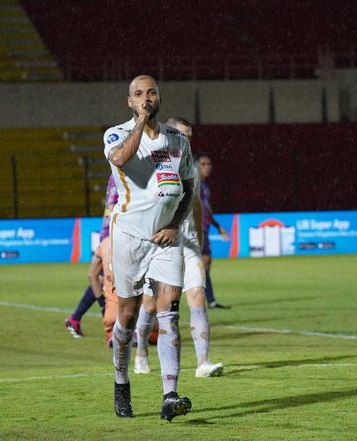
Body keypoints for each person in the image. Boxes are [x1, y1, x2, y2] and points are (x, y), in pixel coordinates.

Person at [104, 75, 195, 421]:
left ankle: (170, 395)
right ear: (130, 102)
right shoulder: (116, 133)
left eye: (152, 92)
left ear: (160, 97)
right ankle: (121, 380)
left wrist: (174, 225)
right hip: (129, 236)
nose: (147, 97)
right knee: (126, 315)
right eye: (139, 94)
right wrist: (141, 122)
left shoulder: (178, 141)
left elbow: (188, 188)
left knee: (170, 310)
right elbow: (121, 159)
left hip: (166, 239)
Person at [133, 116, 224, 379]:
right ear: (170, 133)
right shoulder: (155, 161)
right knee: (150, 305)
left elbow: (195, 203)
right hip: (160, 242)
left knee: (197, 296)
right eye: (183, 135)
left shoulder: (191, 166)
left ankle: (202, 363)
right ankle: (140, 353)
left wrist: (199, 240)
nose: (188, 140)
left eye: (190, 136)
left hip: (188, 242)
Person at [64, 175, 118, 338]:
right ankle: (106, 313)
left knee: (100, 277)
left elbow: (108, 207)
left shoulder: (113, 176)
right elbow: (113, 206)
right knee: (104, 278)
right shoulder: (121, 176)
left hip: (107, 232)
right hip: (113, 234)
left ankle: (76, 318)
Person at [198, 153, 231, 309]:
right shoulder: (193, 184)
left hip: (204, 229)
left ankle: (210, 300)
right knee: (199, 264)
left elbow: (206, 210)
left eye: (209, 164)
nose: (207, 167)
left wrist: (218, 227)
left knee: (206, 264)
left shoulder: (204, 186)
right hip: (193, 230)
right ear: (196, 166)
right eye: (203, 164)